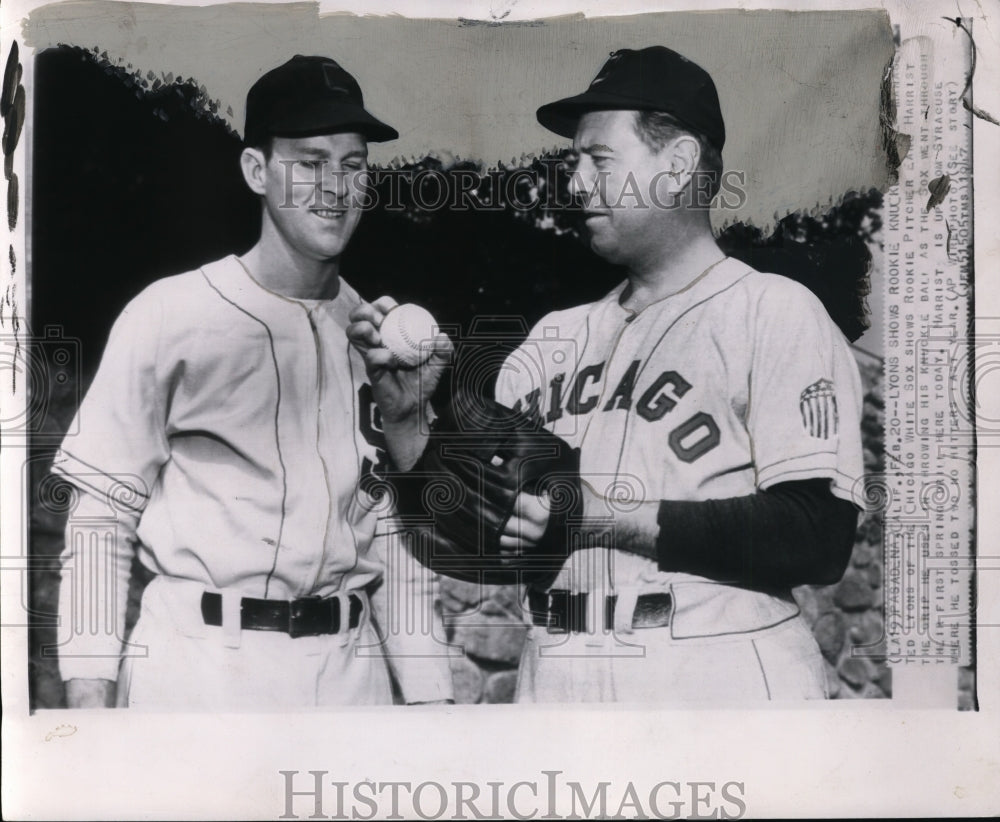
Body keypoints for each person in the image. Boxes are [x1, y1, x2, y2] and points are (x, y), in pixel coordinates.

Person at [349, 46, 863, 703]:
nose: (577, 184)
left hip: (715, 668)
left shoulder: (771, 311)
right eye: (575, 162)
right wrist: (407, 422)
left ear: (677, 165)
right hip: (556, 673)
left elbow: (818, 537)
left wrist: (604, 516)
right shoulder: (553, 337)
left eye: (599, 160)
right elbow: (472, 546)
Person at [53, 55, 453, 709]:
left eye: (353, 165)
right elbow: (100, 518)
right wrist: (89, 701)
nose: (336, 187)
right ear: (256, 171)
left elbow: (393, 539)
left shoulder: (377, 341)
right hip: (202, 664)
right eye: (310, 162)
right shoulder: (170, 314)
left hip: (351, 673)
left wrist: (433, 699)